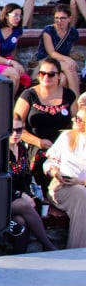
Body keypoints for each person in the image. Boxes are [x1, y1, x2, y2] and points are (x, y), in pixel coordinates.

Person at [14, 56, 76, 189]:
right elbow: (16, 126)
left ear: (59, 76)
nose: (46, 77)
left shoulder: (69, 95)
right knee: (43, 157)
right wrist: (38, 142)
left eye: (51, 74)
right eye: (42, 73)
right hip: (36, 144)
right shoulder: (29, 95)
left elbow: (75, 124)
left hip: (61, 145)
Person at [7, 114, 56, 253]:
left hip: (16, 200)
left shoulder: (21, 148)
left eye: (19, 130)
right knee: (24, 205)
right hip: (0, 199)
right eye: (12, 130)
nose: (15, 134)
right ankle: (48, 246)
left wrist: (28, 194)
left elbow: (25, 177)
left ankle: (19, 257)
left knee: (20, 222)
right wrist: (21, 195)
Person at [43, 108, 86, 248]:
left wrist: (81, 182)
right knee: (81, 194)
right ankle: (77, 249)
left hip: (81, 186)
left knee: (80, 190)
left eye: (78, 119)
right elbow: (49, 162)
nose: (73, 120)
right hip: (62, 187)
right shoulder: (67, 136)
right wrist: (54, 171)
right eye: (75, 117)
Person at [36, 4, 80, 95]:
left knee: (63, 79)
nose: (59, 21)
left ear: (69, 18)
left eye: (63, 18)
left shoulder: (72, 32)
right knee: (68, 66)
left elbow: (69, 50)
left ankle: (66, 105)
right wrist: (67, 59)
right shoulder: (48, 30)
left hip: (61, 63)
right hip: (45, 61)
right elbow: (51, 53)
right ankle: (77, 102)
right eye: (57, 18)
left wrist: (69, 59)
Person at [0, 5, 31, 93]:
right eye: (15, 15)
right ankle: (8, 103)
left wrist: (14, 63)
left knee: (20, 74)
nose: (18, 18)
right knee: (14, 74)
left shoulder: (17, 31)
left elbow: (13, 50)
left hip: (8, 61)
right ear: (7, 15)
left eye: (20, 15)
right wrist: (13, 63)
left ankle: (13, 100)